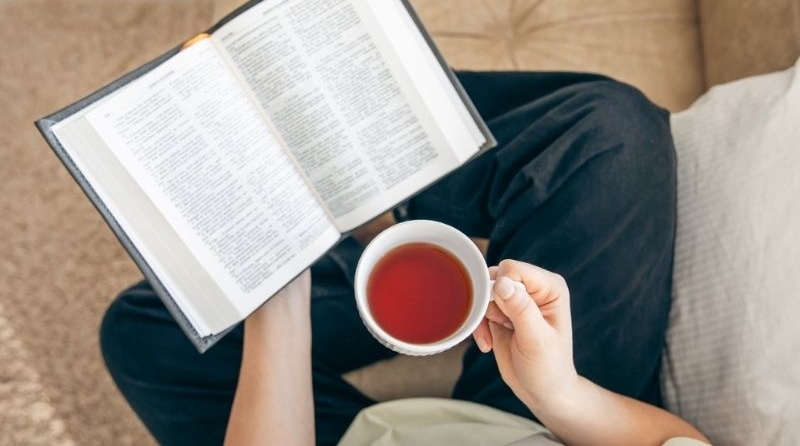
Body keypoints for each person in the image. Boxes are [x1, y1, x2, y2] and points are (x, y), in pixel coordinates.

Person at [100, 72, 709, 445]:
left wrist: (280, 307)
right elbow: (678, 441)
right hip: (541, 423)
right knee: (609, 131)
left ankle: (363, 242)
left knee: (150, 330)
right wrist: (559, 392)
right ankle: (385, 216)